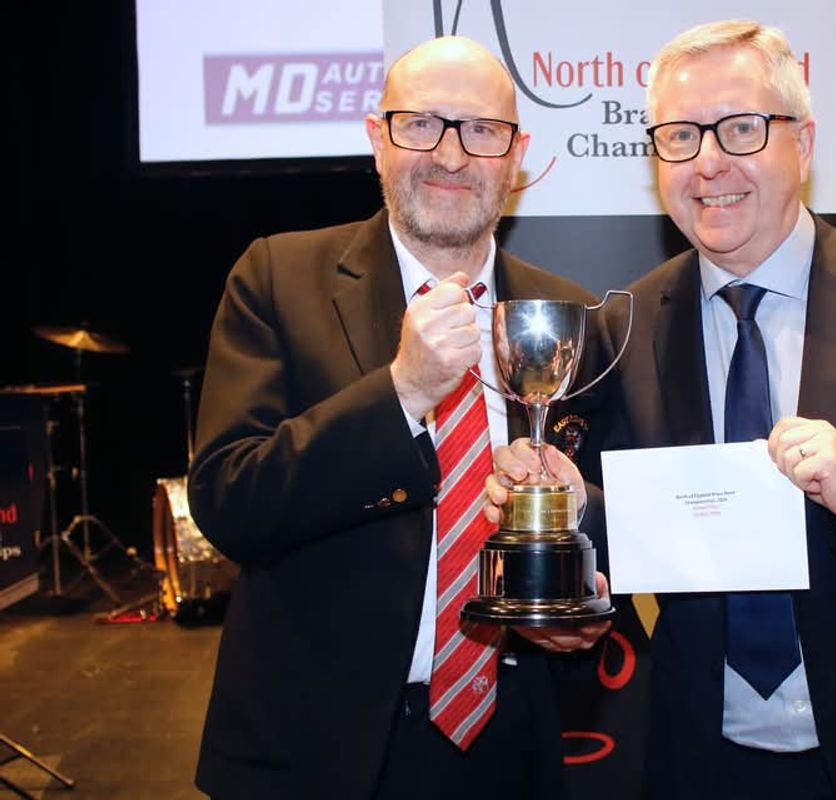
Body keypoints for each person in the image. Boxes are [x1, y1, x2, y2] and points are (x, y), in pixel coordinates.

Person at [488, 19, 836, 800]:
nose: (709, 161)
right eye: (679, 135)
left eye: (741, 128)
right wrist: (562, 502)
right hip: (701, 755)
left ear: (805, 142)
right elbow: (625, 521)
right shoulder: (627, 321)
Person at [187, 35, 608, 800]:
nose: (451, 154)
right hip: (318, 750)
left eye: (481, 130)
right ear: (376, 138)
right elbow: (230, 503)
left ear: (516, 157)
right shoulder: (278, 279)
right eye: (421, 123)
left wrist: (579, 553)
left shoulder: (566, 314)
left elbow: (612, 515)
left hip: (513, 743)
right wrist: (402, 393)